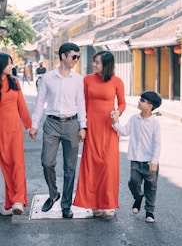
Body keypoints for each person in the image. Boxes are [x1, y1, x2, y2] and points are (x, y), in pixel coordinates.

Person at [29, 42, 87, 218]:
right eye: (73, 57)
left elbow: (81, 103)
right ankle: (53, 193)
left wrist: (83, 126)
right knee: (47, 162)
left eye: (78, 57)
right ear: (63, 56)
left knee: (70, 167)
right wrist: (34, 124)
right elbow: (40, 103)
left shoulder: (78, 79)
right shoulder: (47, 78)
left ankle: (66, 205)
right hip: (52, 124)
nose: (76, 60)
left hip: (71, 124)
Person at [73, 50, 126, 220]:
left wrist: (118, 112)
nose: (94, 65)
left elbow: (122, 103)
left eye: (97, 62)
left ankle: (108, 203)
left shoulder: (117, 81)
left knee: (108, 165)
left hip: (109, 127)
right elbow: (83, 104)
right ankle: (94, 203)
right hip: (92, 126)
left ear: (107, 65)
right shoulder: (87, 79)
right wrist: (83, 127)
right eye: (94, 62)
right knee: (92, 164)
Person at [111, 91, 162, 223]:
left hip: (149, 161)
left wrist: (155, 161)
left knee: (151, 187)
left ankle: (149, 212)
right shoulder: (134, 118)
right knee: (133, 182)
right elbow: (125, 131)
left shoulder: (154, 123)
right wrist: (115, 123)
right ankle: (138, 197)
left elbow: (157, 143)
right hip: (135, 159)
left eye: (142, 100)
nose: (139, 102)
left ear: (150, 106)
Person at [0, 52, 32, 215]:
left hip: (13, 130)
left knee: (17, 164)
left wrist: (29, 126)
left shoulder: (15, 82)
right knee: (4, 167)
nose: (11, 66)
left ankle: (17, 201)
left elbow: (22, 107)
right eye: (8, 64)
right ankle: (7, 203)